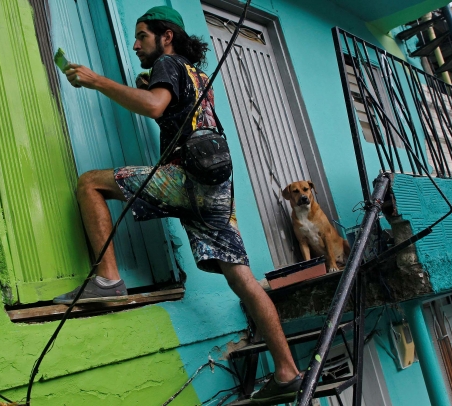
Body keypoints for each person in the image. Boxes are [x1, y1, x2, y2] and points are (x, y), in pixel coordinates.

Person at [53, 6, 302, 404]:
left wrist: (97, 80)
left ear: (166, 36)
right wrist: (149, 83)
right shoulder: (196, 74)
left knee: (89, 184)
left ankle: (107, 281)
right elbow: (175, 109)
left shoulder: (167, 64)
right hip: (217, 185)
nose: (135, 45)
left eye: (142, 36)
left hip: (184, 177)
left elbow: (154, 106)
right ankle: (288, 370)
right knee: (243, 280)